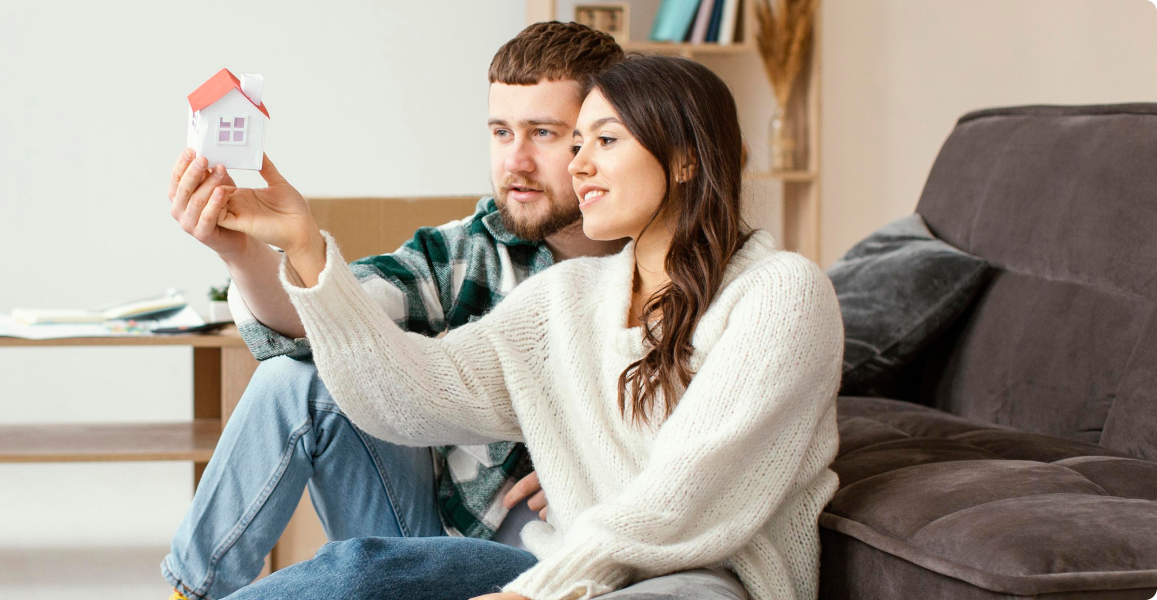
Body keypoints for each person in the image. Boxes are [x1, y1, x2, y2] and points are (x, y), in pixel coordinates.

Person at [194, 55, 843, 600]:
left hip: (695, 576)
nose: (579, 165)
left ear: (685, 160)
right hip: (559, 565)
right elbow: (409, 391)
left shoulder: (781, 293)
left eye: (605, 140)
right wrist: (303, 245)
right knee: (359, 571)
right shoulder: (565, 298)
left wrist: (531, 595)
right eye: (578, 144)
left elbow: (685, 497)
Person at [161, 22, 628, 600]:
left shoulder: (667, 270)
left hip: (557, 559)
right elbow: (331, 319)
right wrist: (239, 251)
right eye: (501, 132)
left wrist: (592, 468)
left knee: (353, 571)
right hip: (433, 537)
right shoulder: (471, 251)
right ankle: (189, 593)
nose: (516, 161)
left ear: (605, 137)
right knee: (299, 378)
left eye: (544, 133)